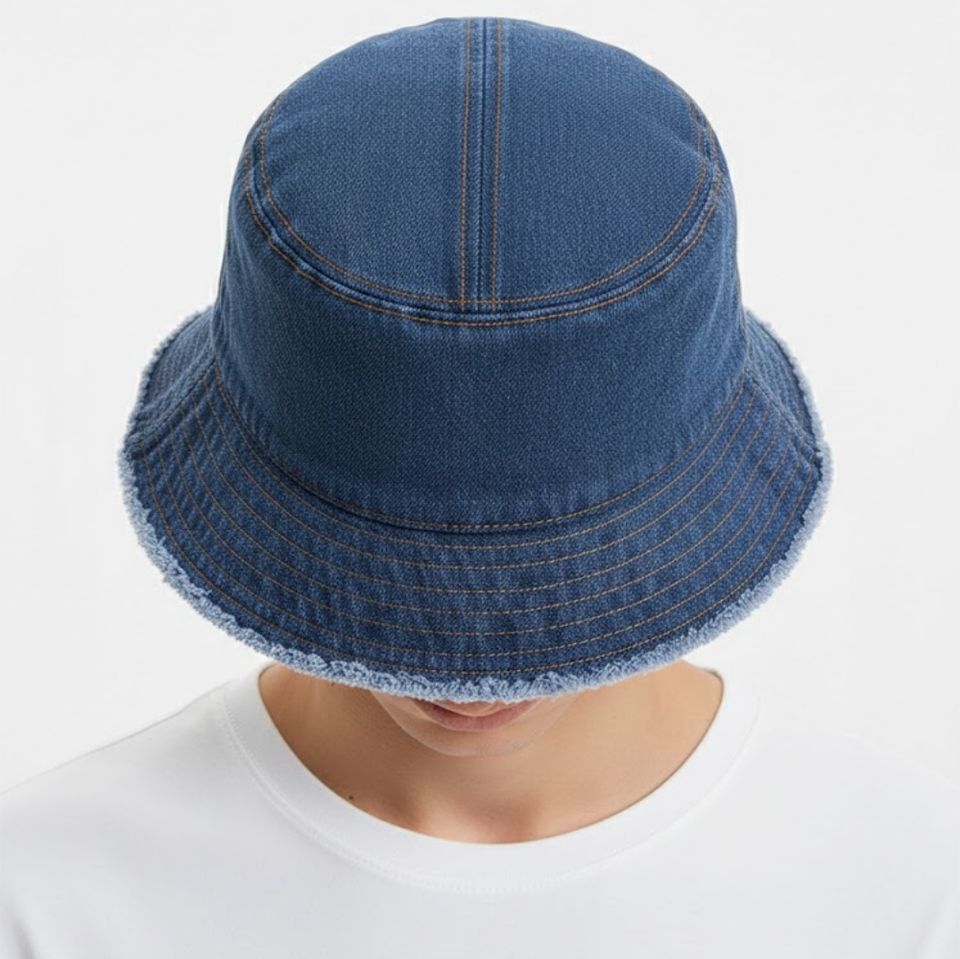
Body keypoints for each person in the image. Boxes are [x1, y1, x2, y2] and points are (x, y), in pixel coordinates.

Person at [1, 16, 957, 957]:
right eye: (402, 580)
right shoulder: (46, 890)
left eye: (541, 581)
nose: (468, 678)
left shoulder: (909, 889)